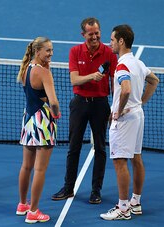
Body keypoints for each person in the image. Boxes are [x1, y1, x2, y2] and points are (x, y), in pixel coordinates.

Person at [52, 17, 117, 204]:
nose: (95, 37)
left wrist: (114, 107)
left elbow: (114, 83)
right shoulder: (75, 51)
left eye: (97, 33)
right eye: (91, 34)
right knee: (74, 148)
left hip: (100, 105)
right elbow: (74, 80)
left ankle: (96, 191)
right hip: (79, 104)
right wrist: (92, 77)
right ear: (83, 34)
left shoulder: (109, 53)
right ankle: (68, 188)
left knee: (100, 148)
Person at [100, 24, 159, 220]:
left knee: (119, 162)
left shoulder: (122, 65)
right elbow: (154, 81)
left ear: (121, 41)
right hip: (137, 115)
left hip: (125, 119)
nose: (110, 43)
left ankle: (123, 208)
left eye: (112, 40)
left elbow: (125, 89)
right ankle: (135, 202)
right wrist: (140, 102)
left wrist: (117, 111)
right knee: (136, 158)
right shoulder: (138, 63)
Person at [16, 37, 61, 224]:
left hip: (28, 120)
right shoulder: (43, 73)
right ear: (38, 51)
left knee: (26, 166)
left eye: (51, 50)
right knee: (40, 169)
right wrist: (56, 114)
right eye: (48, 50)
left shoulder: (27, 68)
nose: (51, 54)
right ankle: (33, 211)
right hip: (42, 122)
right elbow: (54, 102)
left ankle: (22, 205)